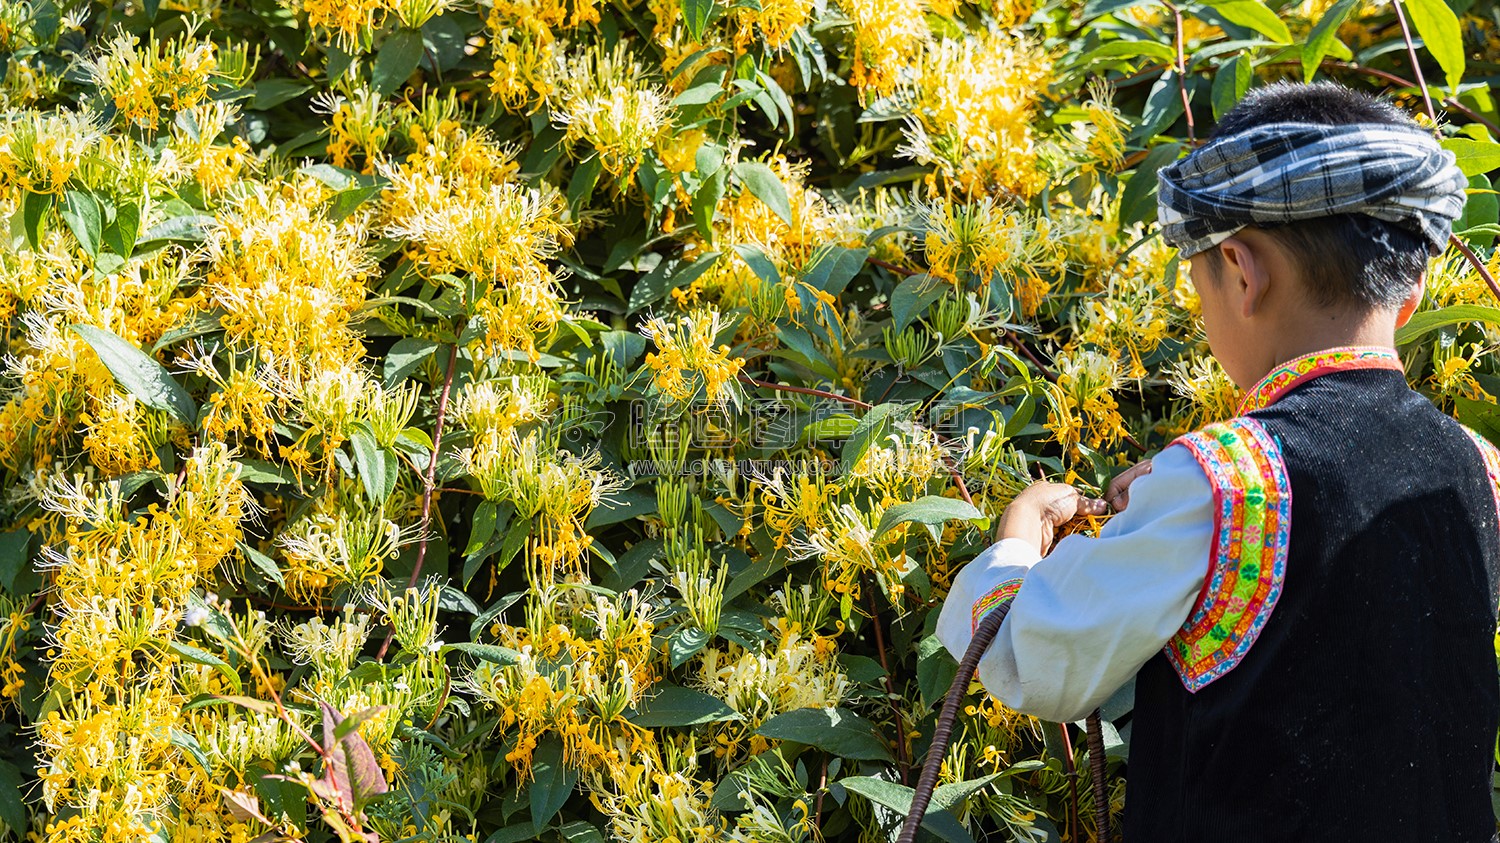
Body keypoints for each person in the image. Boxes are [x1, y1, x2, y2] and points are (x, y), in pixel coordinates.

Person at [935, 80, 1500, 841]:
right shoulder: (1478, 468)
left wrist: (1018, 533)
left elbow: (1035, 654)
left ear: (1241, 270)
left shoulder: (1223, 478)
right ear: (1412, 290)